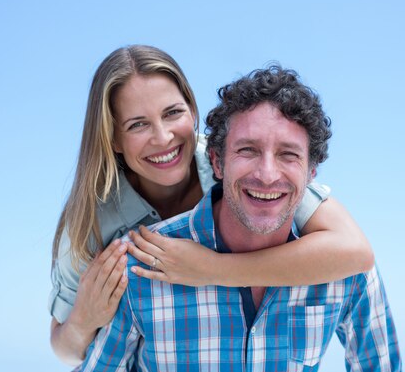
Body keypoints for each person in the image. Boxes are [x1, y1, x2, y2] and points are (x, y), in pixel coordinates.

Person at [49, 45, 374, 365]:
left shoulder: (245, 168)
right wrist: (83, 320)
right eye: (138, 124)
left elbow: (355, 252)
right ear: (113, 139)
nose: (163, 138)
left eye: (172, 113)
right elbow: (66, 352)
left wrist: (211, 270)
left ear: (193, 112)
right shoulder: (90, 223)